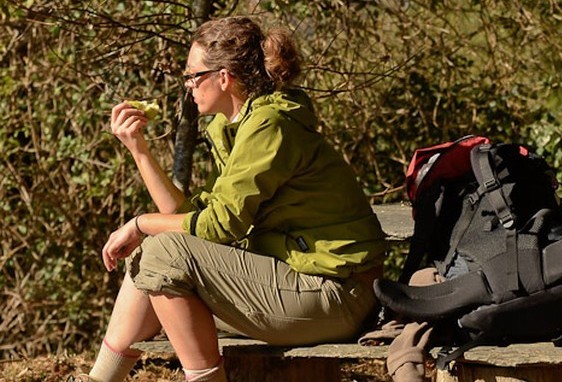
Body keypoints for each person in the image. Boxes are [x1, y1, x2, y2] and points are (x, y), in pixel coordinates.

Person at [82, 16, 387, 382]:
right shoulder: (237, 126)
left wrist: (140, 224)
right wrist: (139, 150)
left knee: (161, 252)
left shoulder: (269, 125)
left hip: (336, 294)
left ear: (223, 77)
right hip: (300, 285)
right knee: (149, 261)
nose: (188, 86)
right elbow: (195, 218)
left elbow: (220, 227)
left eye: (193, 75)